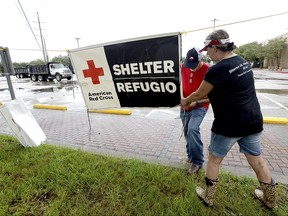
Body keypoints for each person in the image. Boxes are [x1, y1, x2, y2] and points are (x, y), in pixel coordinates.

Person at [180, 29, 277, 208]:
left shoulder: (217, 70)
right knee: (257, 160)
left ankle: (208, 197)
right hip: (253, 121)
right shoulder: (244, 62)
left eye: (207, 50)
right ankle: (270, 201)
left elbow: (199, 93)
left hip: (229, 124)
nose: (207, 54)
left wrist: (186, 100)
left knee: (214, 159)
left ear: (215, 47)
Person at [180, 47, 210, 174]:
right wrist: (182, 99)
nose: (191, 68)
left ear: (201, 59)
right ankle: (190, 156)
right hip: (185, 106)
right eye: (189, 64)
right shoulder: (183, 66)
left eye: (194, 65)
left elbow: (213, 97)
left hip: (200, 106)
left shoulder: (208, 70)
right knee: (187, 132)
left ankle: (197, 161)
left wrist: (196, 101)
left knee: (192, 129)